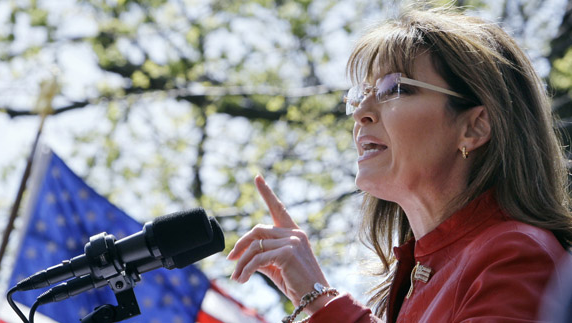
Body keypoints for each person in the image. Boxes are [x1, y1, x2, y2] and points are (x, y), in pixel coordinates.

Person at [227, 5, 572, 323]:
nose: (361, 112)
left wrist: (325, 303)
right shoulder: (418, 274)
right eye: (361, 94)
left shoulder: (516, 255)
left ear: (474, 127)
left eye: (394, 88)